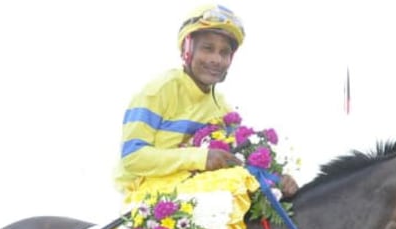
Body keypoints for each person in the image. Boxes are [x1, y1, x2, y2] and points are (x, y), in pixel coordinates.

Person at [114, 4, 297, 199]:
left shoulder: (221, 105)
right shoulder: (158, 90)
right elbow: (132, 158)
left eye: (224, 52)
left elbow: (237, 159)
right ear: (187, 48)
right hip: (144, 196)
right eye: (207, 49)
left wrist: (276, 180)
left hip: (193, 191)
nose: (216, 59)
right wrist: (201, 157)